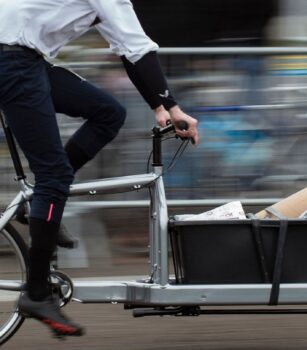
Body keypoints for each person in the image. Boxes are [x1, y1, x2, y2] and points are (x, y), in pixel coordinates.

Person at [0, 0, 199, 338]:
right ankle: (35, 293)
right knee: (55, 176)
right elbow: (137, 46)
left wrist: (160, 106)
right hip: (13, 61)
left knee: (108, 113)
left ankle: (41, 200)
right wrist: (173, 106)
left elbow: (127, 48)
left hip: (23, 60)